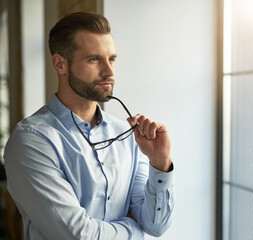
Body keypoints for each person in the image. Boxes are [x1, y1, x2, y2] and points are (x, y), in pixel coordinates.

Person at [4, 12, 174, 240]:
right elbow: (77, 235)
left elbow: (155, 225)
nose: (109, 71)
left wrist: (160, 163)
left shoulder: (127, 137)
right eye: (94, 59)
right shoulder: (31, 141)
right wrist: (134, 231)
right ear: (60, 64)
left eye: (111, 59)